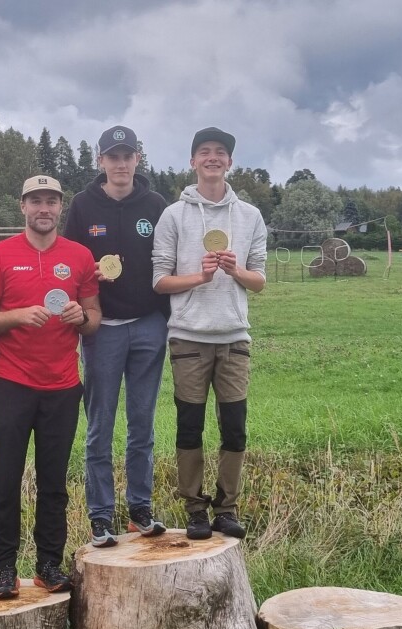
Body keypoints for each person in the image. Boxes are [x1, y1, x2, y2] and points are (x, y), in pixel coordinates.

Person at [0, 175, 101, 599]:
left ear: (60, 208)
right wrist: (18, 316)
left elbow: (95, 320)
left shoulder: (80, 256)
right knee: (4, 477)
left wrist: (81, 315)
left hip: (63, 385)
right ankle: (5, 568)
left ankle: (49, 564)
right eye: (35, 201)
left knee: (54, 482)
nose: (43, 208)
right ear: (22, 206)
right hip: (10, 382)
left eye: (51, 201)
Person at [151, 127, 267, 540]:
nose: (212, 158)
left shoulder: (250, 216)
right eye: (204, 152)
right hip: (188, 338)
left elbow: (260, 282)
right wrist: (197, 278)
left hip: (234, 338)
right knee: (189, 425)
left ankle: (227, 507)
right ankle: (195, 508)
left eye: (220, 152)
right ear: (193, 161)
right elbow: (159, 282)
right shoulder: (174, 215)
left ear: (230, 162)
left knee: (235, 426)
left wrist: (236, 271)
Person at [63, 125, 169, 548]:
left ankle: (140, 508)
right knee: (100, 424)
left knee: (142, 423)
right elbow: (70, 262)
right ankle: (101, 515)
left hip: (148, 324)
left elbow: (170, 259)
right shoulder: (83, 206)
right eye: (113, 156)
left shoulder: (156, 204)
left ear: (137, 159)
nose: (121, 163)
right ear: (101, 161)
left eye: (127, 156)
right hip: (102, 328)